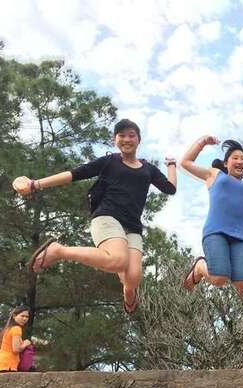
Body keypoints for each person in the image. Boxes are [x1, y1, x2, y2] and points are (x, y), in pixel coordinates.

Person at [12, 119, 177, 312]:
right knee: (118, 260)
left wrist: (172, 164)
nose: (126, 139)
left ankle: (128, 292)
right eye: (121, 135)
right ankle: (59, 251)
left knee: (133, 278)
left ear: (138, 140)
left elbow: (170, 188)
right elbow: (74, 174)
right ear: (115, 139)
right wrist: (35, 184)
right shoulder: (109, 161)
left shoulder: (148, 169)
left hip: (133, 226)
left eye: (131, 135)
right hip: (107, 216)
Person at [181, 136, 243, 297]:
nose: (240, 161)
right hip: (216, 232)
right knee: (219, 278)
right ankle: (200, 266)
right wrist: (202, 142)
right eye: (235, 158)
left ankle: (235, 275)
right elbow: (186, 162)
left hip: (241, 238)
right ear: (225, 163)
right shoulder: (215, 175)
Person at [0, 306, 31, 373]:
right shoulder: (16, 328)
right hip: (8, 365)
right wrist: (25, 344)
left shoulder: (8, 329)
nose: (25, 319)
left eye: (27, 317)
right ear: (14, 316)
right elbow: (16, 349)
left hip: (1, 364)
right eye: (22, 316)